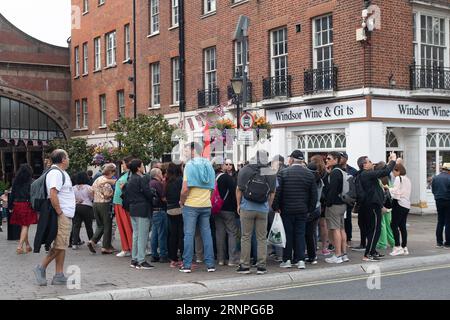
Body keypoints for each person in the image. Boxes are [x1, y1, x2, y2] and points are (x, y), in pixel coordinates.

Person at [33, 149, 75, 286]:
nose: (68, 159)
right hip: (61, 214)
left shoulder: (61, 172)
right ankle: (41, 267)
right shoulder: (56, 173)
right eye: (67, 157)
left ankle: (59, 275)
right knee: (59, 245)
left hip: (65, 213)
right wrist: (60, 212)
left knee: (61, 245)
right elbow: (53, 194)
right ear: (63, 159)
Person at [273, 150, 317, 270]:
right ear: (302, 160)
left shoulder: (283, 173)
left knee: (288, 234)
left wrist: (276, 207)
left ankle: (287, 259)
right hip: (302, 210)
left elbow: (278, 192)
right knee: (300, 234)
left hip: (286, 209)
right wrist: (310, 209)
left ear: (292, 160)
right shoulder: (309, 175)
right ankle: (300, 260)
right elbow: (314, 195)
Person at [236, 150, 277, 275]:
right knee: (261, 238)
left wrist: (238, 205)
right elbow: (272, 192)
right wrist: (268, 206)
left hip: (247, 207)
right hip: (262, 209)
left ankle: (245, 265)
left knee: (246, 237)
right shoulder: (270, 172)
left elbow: (239, 189)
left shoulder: (246, 169)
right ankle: (261, 266)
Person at [179, 142, 216, 273]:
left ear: (194, 150)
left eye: (187, 149)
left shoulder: (189, 165)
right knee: (207, 234)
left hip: (191, 205)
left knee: (189, 234)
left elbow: (184, 189)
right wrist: (207, 199)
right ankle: (210, 264)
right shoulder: (209, 165)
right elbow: (212, 189)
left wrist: (181, 201)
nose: (185, 152)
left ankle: (187, 265)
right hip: (206, 205)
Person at [357, 152, 397, 262]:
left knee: (376, 229)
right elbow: (385, 171)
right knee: (374, 230)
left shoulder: (367, 173)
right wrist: (393, 160)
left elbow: (382, 170)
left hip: (374, 205)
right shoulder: (366, 174)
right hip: (371, 206)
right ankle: (368, 254)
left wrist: (389, 162)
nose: (372, 163)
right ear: (364, 165)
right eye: (369, 162)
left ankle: (373, 251)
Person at [127, 159, 155, 269]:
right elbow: (148, 193)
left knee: (136, 235)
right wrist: (152, 194)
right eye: (142, 165)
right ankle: (141, 260)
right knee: (142, 236)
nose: (143, 167)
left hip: (133, 208)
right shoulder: (141, 179)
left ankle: (134, 259)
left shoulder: (130, 179)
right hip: (142, 208)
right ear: (138, 168)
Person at [324, 152, 349, 264]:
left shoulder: (335, 173)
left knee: (335, 230)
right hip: (343, 204)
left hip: (334, 205)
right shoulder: (342, 171)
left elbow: (332, 190)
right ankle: (344, 254)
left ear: (336, 160)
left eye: (329, 158)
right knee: (341, 229)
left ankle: (337, 254)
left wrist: (328, 203)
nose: (326, 160)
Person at [214, 162, 239, 267]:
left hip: (216, 208)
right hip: (228, 209)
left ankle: (220, 259)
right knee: (232, 233)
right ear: (222, 166)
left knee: (220, 233)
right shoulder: (228, 178)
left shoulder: (214, 178)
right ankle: (232, 259)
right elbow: (234, 192)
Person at [9, 164, 38, 254]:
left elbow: (12, 194)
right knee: (25, 225)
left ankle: (28, 245)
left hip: (17, 204)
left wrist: (10, 206)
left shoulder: (15, 181)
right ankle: (20, 246)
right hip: (27, 204)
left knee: (23, 226)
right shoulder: (32, 182)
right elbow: (33, 195)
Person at [88, 163, 117, 254]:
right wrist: (113, 194)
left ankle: (92, 241)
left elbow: (91, 191)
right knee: (107, 225)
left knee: (100, 225)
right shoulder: (106, 181)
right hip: (104, 204)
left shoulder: (97, 179)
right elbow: (107, 194)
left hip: (96, 203)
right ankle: (106, 246)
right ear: (111, 172)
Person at [113, 156, 134, 258]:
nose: (122, 165)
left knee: (126, 226)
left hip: (123, 203)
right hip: (119, 203)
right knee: (124, 226)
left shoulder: (130, 175)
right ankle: (127, 247)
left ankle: (128, 248)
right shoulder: (127, 175)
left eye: (123, 163)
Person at [310, 155, 331, 256]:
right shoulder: (326, 174)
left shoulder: (311, 174)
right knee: (323, 225)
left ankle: (313, 247)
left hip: (314, 202)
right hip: (324, 202)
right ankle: (324, 248)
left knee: (313, 226)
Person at [389, 162, 411, 256]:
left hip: (399, 203)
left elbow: (396, 191)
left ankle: (397, 247)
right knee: (402, 226)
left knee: (393, 225)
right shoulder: (407, 179)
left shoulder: (398, 178)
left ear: (397, 170)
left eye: (393, 171)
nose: (393, 174)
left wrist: (388, 188)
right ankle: (404, 247)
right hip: (406, 205)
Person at [305, 161, 325, 265]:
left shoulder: (309, 180)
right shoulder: (320, 180)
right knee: (312, 233)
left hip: (310, 208)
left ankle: (308, 255)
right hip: (318, 208)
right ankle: (313, 255)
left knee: (306, 234)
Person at [166, 163, 184, 268]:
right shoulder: (180, 180)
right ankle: (183, 258)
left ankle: (173, 259)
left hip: (169, 209)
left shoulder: (168, 181)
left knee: (173, 234)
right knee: (181, 234)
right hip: (179, 208)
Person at [374, 163, 395, 252]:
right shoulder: (388, 180)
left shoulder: (378, 181)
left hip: (382, 206)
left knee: (381, 225)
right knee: (389, 225)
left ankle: (382, 243)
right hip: (389, 205)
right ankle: (393, 242)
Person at [150, 168, 169, 263]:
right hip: (160, 210)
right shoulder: (157, 184)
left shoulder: (150, 183)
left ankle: (154, 254)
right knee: (162, 233)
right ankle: (163, 254)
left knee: (154, 233)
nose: (162, 174)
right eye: (161, 173)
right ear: (157, 174)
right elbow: (163, 197)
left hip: (153, 211)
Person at [72, 172, 94, 250]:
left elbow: (71, 198)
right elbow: (91, 198)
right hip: (87, 207)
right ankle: (92, 240)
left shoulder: (73, 188)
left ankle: (74, 243)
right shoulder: (88, 187)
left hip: (76, 207)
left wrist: (77, 200)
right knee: (88, 225)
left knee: (76, 225)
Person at [340, 152, 358, 248]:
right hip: (339, 199)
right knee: (339, 221)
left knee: (347, 220)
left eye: (342, 157)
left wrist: (353, 198)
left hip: (349, 199)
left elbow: (355, 185)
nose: (340, 159)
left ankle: (348, 238)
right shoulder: (336, 169)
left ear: (346, 159)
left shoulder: (353, 171)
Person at [431, 163, 450, 249]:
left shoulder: (435, 178)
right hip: (448, 201)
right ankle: (448, 243)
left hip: (438, 201)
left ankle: (439, 242)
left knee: (440, 221)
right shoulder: (449, 178)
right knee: (448, 222)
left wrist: (437, 197)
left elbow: (433, 190)